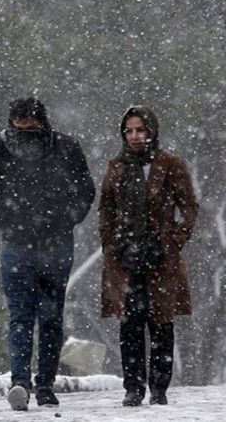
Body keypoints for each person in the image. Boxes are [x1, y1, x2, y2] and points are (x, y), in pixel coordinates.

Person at [0, 97, 95, 411]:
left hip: (41, 245)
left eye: (30, 126)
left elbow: (84, 191)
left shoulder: (61, 149)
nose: (26, 132)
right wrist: (19, 217)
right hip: (28, 244)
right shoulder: (10, 149)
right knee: (35, 318)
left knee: (35, 318)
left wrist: (55, 218)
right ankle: (30, 384)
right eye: (21, 126)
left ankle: (34, 383)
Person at [98, 106, 198, 407]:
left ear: (151, 130)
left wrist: (174, 240)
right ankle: (133, 387)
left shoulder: (170, 164)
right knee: (129, 325)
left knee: (161, 323)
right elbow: (106, 209)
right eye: (129, 130)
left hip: (161, 257)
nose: (135, 136)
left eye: (140, 130)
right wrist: (112, 245)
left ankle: (159, 388)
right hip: (125, 257)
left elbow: (190, 207)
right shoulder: (116, 166)